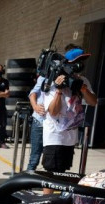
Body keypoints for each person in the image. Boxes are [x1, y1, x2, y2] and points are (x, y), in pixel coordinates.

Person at [42, 48, 97, 182]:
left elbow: (93, 102)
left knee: (62, 174)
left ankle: (58, 201)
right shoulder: (53, 80)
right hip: (55, 135)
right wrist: (59, 91)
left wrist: (83, 89)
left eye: (83, 61)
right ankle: (47, 201)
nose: (80, 66)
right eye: (78, 62)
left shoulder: (82, 80)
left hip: (70, 136)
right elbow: (53, 111)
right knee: (51, 175)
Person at [27, 75, 46, 170]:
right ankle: (27, 181)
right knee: (35, 156)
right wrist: (35, 106)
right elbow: (33, 93)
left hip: (58, 125)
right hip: (40, 120)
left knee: (50, 159)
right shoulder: (44, 77)